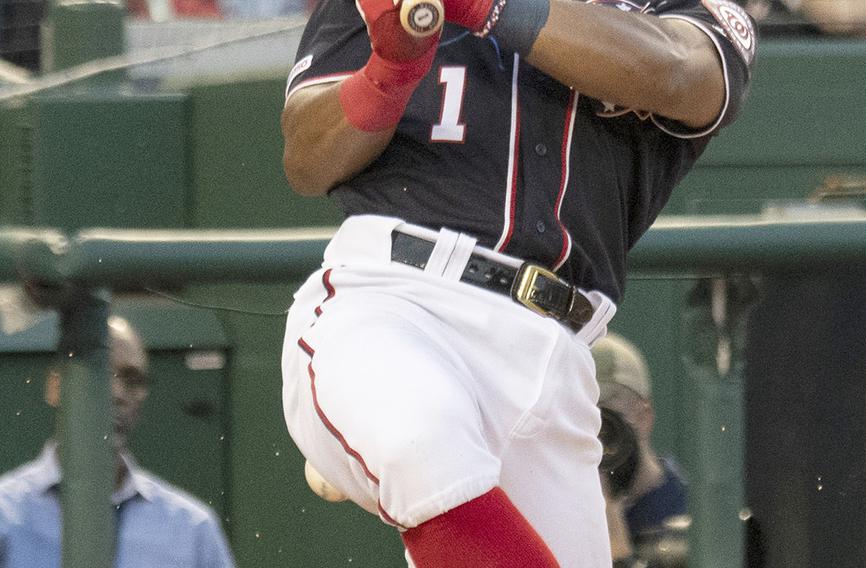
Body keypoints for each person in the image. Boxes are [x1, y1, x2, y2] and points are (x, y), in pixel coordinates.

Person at [279, 0, 755, 566]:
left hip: (561, 352)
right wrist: (389, 71)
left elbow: (680, 73)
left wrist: (482, 6)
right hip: (401, 301)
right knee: (421, 442)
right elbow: (306, 162)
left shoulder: (685, 11)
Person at [0, 316, 235, 568]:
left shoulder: (191, 530)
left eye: (132, 380)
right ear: (55, 386)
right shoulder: (6, 516)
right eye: (99, 373)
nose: (117, 393)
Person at [593, 335, 689, 568]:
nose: (593, 439)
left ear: (644, 417)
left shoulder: (696, 521)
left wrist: (614, 540)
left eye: (604, 421)